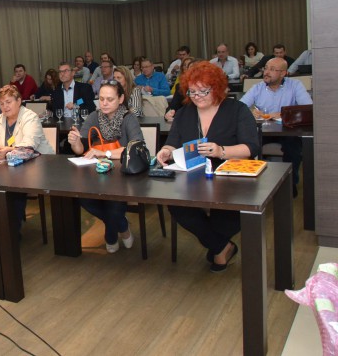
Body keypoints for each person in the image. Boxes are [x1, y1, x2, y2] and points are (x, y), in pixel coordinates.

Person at [156, 62, 260, 273]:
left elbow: (251, 147)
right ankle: (222, 247)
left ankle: (218, 245)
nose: (197, 96)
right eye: (192, 91)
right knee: (176, 206)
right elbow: (172, 141)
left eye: (203, 91)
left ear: (217, 88)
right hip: (193, 176)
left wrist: (221, 151)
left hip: (230, 175)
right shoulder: (184, 113)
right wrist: (166, 150)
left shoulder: (237, 110)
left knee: (226, 217)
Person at [67, 80, 142, 253]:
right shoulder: (95, 116)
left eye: (110, 99)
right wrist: (75, 141)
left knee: (113, 203)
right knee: (82, 197)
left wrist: (104, 153)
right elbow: (80, 150)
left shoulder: (128, 118)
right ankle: (122, 226)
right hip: (97, 173)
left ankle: (110, 236)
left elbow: (135, 147)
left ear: (121, 99)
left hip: (123, 173)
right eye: (101, 99)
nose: (104, 103)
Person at [0, 85, 55, 232]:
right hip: (9, 166)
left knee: (14, 187)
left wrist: (8, 150)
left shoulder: (30, 117)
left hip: (38, 164)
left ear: (19, 101)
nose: (5, 107)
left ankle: (12, 231)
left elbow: (29, 144)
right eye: (1, 103)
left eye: (8, 102)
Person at [240, 57, 312, 197]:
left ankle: (290, 184)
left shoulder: (295, 85)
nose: (266, 72)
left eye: (272, 69)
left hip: (288, 131)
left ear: (283, 73)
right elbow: (240, 108)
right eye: (266, 68)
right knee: (247, 146)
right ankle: (254, 185)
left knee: (293, 149)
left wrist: (281, 113)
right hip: (263, 131)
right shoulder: (257, 87)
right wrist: (250, 113)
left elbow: (307, 108)